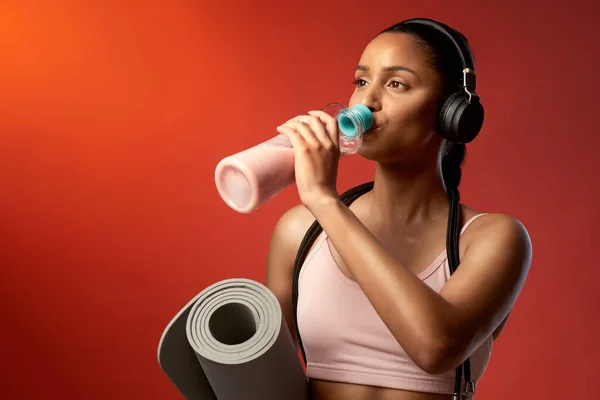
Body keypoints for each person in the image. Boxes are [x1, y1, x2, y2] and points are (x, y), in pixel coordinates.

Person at [265, 17, 532, 400]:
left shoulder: (493, 238)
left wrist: (325, 201)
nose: (366, 102)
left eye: (396, 84)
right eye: (361, 81)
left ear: (451, 112)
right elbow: (264, 374)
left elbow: (436, 347)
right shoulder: (300, 232)